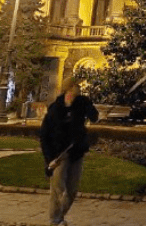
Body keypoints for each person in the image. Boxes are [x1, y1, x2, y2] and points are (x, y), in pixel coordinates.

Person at [40, 77, 99, 226]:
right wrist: (49, 158)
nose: (78, 88)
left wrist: (88, 104)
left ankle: (59, 217)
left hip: (76, 152)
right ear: (69, 88)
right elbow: (45, 134)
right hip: (60, 154)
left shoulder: (81, 104)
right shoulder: (56, 108)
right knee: (58, 190)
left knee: (72, 190)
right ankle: (55, 220)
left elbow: (94, 117)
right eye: (76, 86)